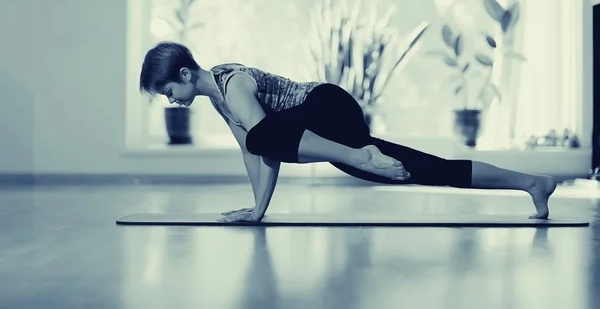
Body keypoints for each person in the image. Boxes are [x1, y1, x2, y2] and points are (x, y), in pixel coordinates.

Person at [139, 41, 557, 222]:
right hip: (322, 121)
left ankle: (357, 155)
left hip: (327, 105)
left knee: (263, 136)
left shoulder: (232, 82)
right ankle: (533, 183)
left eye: (168, 91)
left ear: (184, 73)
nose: (170, 99)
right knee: (427, 169)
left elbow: (265, 144)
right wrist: (257, 210)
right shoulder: (219, 100)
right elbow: (255, 154)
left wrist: (353, 153)